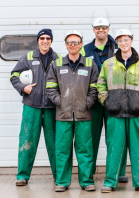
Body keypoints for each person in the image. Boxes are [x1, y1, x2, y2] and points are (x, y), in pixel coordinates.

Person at [97, 29, 139, 193]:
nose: (124, 43)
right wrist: (106, 101)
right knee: (114, 148)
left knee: (138, 147)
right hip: (115, 113)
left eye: (126, 39)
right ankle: (110, 182)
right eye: (120, 40)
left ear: (132, 40)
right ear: (117, 43)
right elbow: (100, 84)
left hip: (136, 112)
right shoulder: (108, 64)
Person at [46, 30, 99, 192]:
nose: (73, 45)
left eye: (76, 42)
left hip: (84, 114)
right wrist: (60, 102)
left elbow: (95, 87)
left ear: (81, 44)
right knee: (62, 150)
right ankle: (62, 181)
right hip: (63, 115)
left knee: (85, 149)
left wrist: (87, 103)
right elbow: (50, 87)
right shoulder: (57, 64)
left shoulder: (90, 64)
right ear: (66, 45)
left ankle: (87, 181)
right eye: (69, 43)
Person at [80, 17, 128, 182]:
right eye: (98, 27)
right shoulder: (85, 50)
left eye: (104, 27)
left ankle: (118, 171)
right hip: (92, 101)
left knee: (116, 137)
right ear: (93, 29)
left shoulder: (118, 48)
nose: (101, 30)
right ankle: (89, 172)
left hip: (114, 100)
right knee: (89, 139)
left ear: (109, 28)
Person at [10, 29, 60, 186]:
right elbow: (14, 75)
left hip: (52, 107)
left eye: (48, 38)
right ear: (38, 40)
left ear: (51, 41)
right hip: (32, 106)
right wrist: (22, 88)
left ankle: (58, 175)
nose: (45, 41)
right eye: (42, 38)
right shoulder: (28, 57)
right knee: (27, 139)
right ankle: (22, 176)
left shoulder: (58, 59)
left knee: (55, 143)